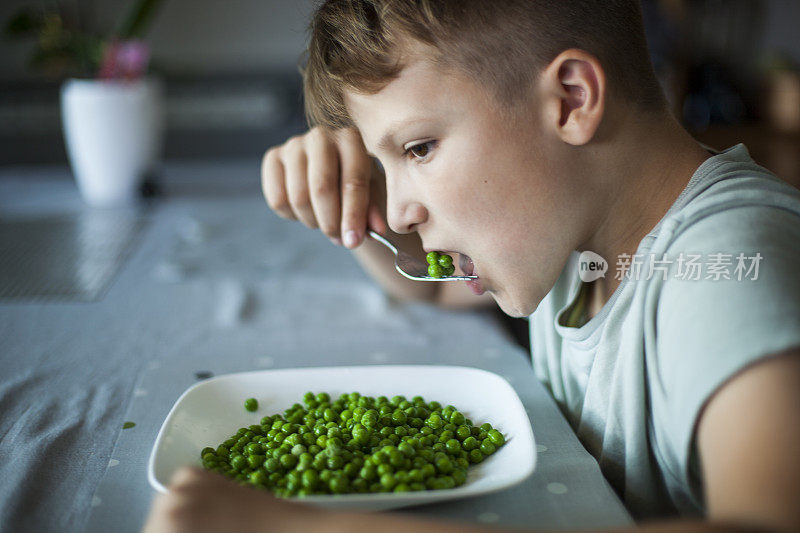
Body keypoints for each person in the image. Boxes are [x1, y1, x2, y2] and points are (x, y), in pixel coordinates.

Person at [143, 1, 800, 531]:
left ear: (571, 99)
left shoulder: (726, 267)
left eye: (419, 147)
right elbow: (431, 293)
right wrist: (354, 205)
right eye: (385, 161)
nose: (400, 212)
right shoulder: (574, 235)